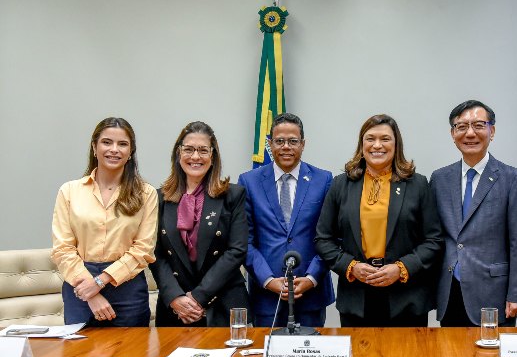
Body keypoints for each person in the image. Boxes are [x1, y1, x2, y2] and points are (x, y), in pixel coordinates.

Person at [315, 114, 443, 327]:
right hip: (357, 297)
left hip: (407, 298)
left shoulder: (417, 184)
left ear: (396, 144)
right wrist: (351, 266)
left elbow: (434, 240)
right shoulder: (341, 185)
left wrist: (401, 268)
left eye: (385, 139)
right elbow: (322, 239)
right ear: (361, 144)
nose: (377, 145)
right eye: (370, 139)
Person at [430, 100, 517, 327]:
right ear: (452, 133)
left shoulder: (513, 179)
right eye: (462, 126)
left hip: (493, 291)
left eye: (478, 125)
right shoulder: (439, 179)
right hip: (450, 289)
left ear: (491, 131)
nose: (470, 133)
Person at [51, 117, 157, 326]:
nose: (114, 149)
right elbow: (62, 249)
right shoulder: (69, 191)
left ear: (130, 152)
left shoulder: (146, 193)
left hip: (128, 288)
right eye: (107, 142)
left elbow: (143, 249)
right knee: (78, 356)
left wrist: (100, 281)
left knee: (132, 356)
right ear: (94, 147)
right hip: (79, 286)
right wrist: (90, 292)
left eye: (123, 144)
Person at [238, 113, 334, 327]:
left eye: (293, 141)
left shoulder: (324, 180)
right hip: (266, 296)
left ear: (303, 144)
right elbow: (245, 241)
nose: (286, 147)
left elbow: (330, 237)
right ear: (270, 144)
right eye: (279, 141)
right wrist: (268, 280)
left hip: (311, 294)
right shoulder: (249, 181)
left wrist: (311, 278)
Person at [150, 121, 249, 327]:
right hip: (176, 309)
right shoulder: (159, 198)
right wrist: (176, 298)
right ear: (178, 154)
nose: (195, 157)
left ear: (213, 156)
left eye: (203, 150)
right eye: (189, 149)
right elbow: (155, 254)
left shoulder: (233, 195)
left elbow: (237, 250)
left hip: (222, 304)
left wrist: (198, 297)